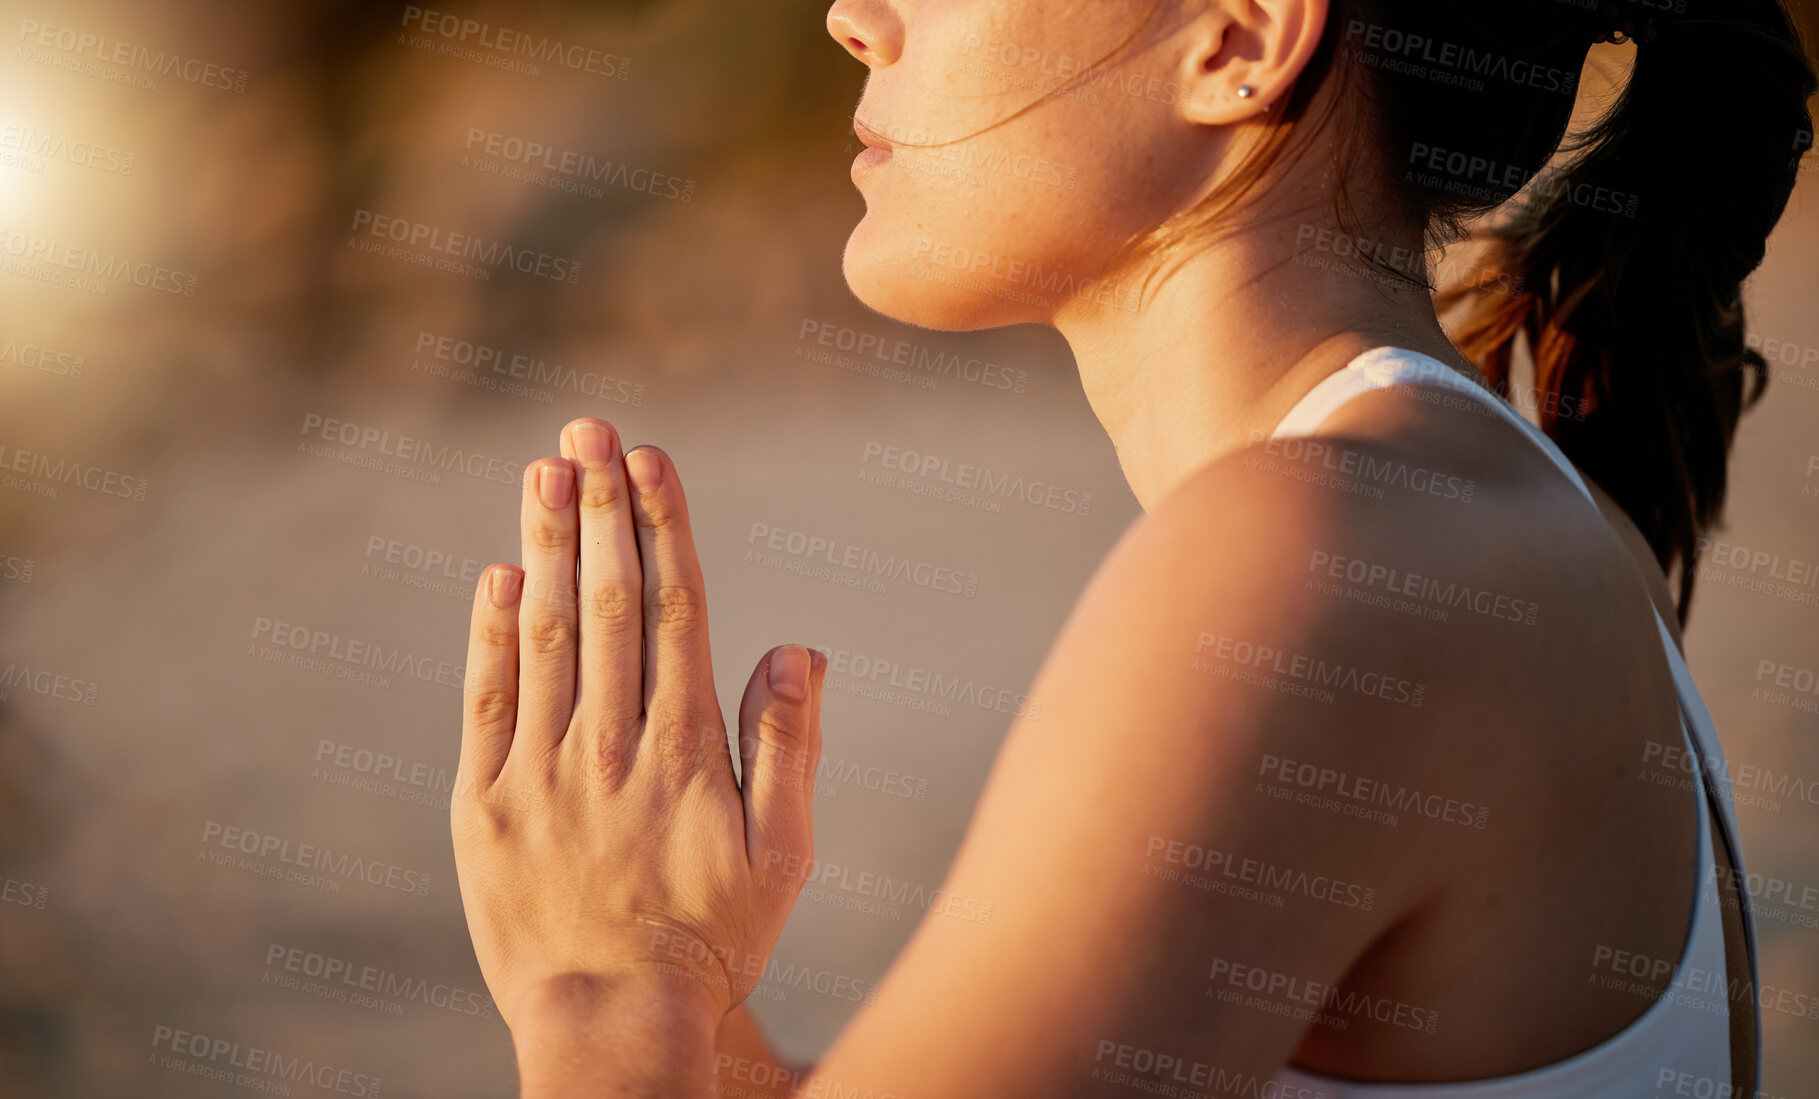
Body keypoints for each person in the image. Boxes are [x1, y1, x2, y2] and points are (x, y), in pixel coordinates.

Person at [447, 1, 1816, 1095]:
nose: (854, 18)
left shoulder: (1322, 555)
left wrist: (604, 1006)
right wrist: (695, 1016)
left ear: (1239, 40)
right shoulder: (1462, 510)